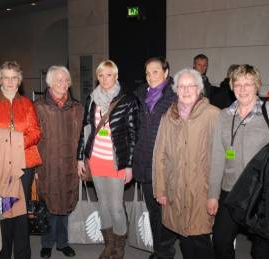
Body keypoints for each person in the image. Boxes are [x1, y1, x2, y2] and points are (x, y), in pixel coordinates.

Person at [207, 64, 269, 259]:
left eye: (248, 84)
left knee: (262, 249)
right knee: (220, 241)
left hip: (262, 191)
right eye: (238, 84)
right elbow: (218, 155)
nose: (242, 89)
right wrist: (212, 195)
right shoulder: (224, 116)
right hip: (230, 190)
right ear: (232, 86)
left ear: (257, 86)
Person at [153, 68, 219, 259]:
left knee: (200, 239)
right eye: (182, 86)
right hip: (175, 189)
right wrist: (160, 189)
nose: (186, 90)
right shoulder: (169, 117)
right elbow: (160, 155)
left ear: (199, 89)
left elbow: (225, 155)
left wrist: (216, 193)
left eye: (191, 86)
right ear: (176, 89)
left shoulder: (213, 115)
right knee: (184, 237)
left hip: (201, 191)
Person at [0, 61, 42, 259]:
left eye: (14, 77)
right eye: (6, 77)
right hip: (0, 166)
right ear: (0, 80)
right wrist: (8, 143)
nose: (10, 82)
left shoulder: (27, 104)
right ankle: (3, 254)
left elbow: (35, 132)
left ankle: (23, 255)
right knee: (5, 212)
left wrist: (14, 143)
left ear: (19, 80)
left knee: (21, 212)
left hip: (24, 165)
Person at [77, 60, 138, 259]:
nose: (104, 79)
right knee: (102, 204)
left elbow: (132, 134)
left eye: (109, 75)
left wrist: (128, 165)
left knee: (116, 206)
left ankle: (119, 246)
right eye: (101, 75)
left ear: (116, 76)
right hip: (96, 159)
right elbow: (85, 130)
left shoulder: (127, 100)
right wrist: (80, 158)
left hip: (116, 161)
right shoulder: (92, 99)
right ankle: (109, 244)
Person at [34, 65, 83, 258]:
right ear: (50, 82)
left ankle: (62, 243)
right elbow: (32, 140)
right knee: (49, 203)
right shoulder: (39, 107)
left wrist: (81, 161)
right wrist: (36, 166)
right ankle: (47, 243)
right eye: (59, 80)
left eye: (66, 80)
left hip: (70, 163)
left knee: (65, 203)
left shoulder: (77, 107)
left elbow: (82, 138)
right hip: (48, 164)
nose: (64, 84)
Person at [133, 57, 178, 259]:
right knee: (153, 210)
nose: (151, 77)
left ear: (166, 73)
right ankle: (159, 249)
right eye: (148, 72)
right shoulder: (140, 95)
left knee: (165, 210)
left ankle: (166, 251)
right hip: (144, 162)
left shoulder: (175, 96)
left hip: (165, 164)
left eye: (156, 72)